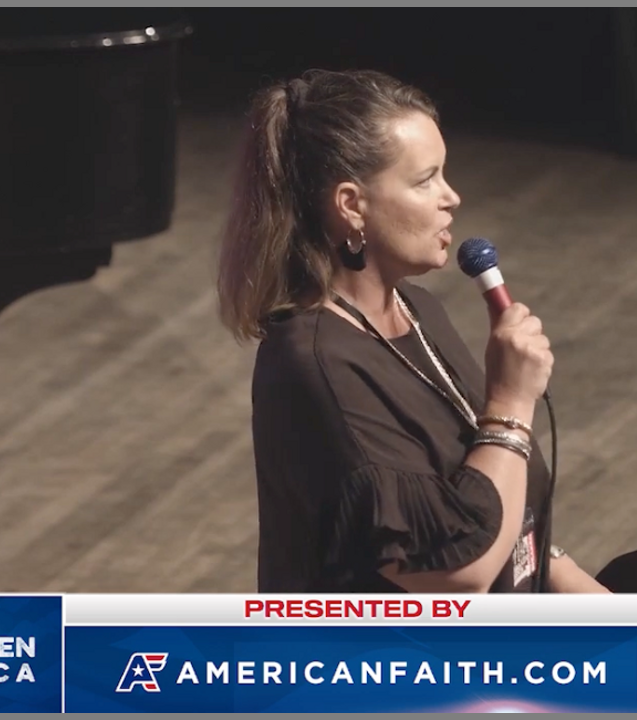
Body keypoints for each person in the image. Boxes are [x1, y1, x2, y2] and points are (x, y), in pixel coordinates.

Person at [217, 69, 610, 594]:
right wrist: (512, 402)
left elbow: (496, 497)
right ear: (351, 205)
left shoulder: (417, 310)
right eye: (426, 180)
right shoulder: (315, 366)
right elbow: (456, 575)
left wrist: (587, 593)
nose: (452, 197)